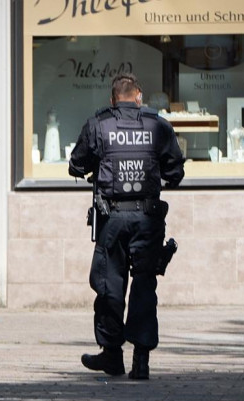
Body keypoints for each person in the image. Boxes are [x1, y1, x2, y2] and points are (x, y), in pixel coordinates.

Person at [68, 73, 184, 380]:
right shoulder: (158, 125)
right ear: (139, 97)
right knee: (145, 285)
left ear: (112, 99)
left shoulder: (98, 124)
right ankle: (141, 361)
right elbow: (175, 171)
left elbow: (76, 165)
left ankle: (112, 355)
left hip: (112, 220)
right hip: (147, 219)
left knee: (109, 286)